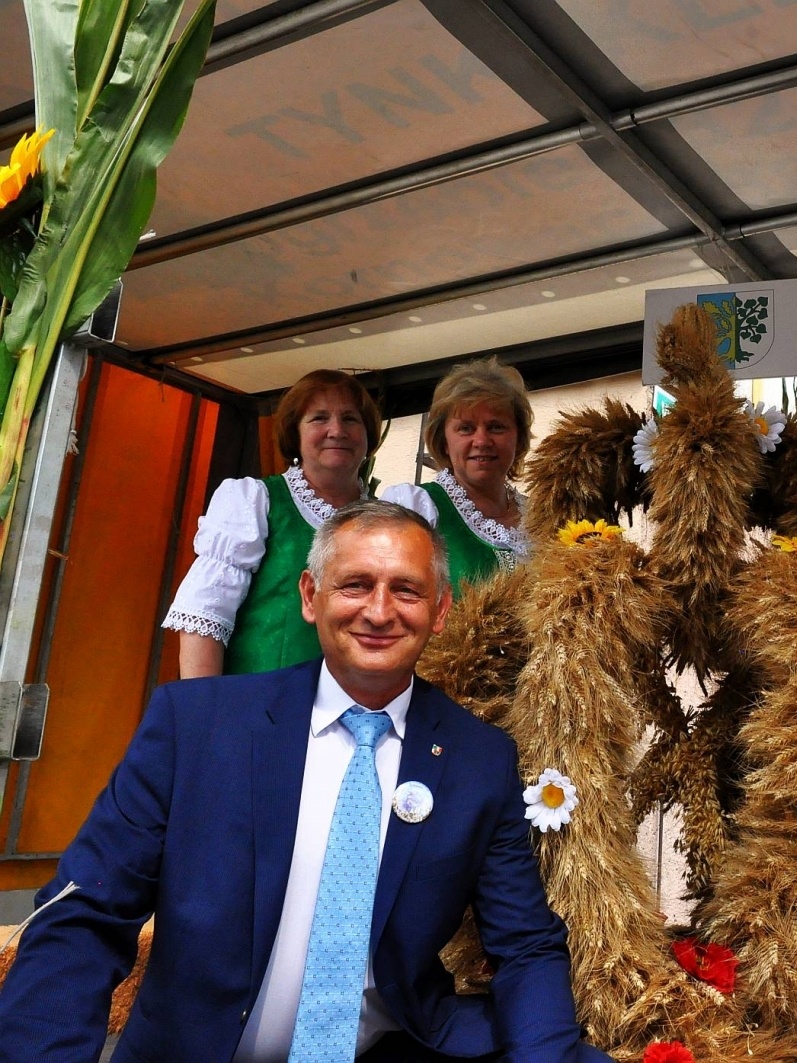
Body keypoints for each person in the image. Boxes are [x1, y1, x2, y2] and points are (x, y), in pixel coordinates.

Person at [0, 501, 613, 1063]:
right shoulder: (196, 726)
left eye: (406, 590)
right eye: (355, 585)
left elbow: (526, 945)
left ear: (441, 611)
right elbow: (86, 915)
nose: (379, 611)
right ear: (310, 595)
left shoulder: (479, 758)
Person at [163, 368, 381, 677]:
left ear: (368, 434)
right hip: (258, 708)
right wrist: (205, 714)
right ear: (295, 434)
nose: (337, 430)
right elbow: (205, 617)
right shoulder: (255, 502)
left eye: (350, 419)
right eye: (319, 418)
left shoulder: (387, 522)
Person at [385, 358, 532, 594]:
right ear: (443, 441)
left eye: (496, 427)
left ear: (518, 438)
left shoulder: (544, 517)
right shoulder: (415, 509)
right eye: (466, 428)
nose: (482, 441)